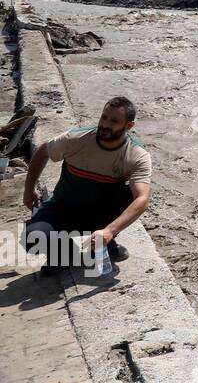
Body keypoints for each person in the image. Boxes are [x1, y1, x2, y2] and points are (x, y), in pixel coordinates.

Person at [21, 97, 152, 275]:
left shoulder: (136, 155)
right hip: (63, 206)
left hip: (100, 214)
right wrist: (28, 190)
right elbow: (43, 152)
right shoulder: (76, 139)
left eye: (114, 121)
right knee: (32, 238)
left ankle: (106, 240)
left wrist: (109, 231)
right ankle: (64, 252)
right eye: (104, 117)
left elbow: (142, 199)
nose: (105, 124)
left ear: (129, 126)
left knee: (130, 195)